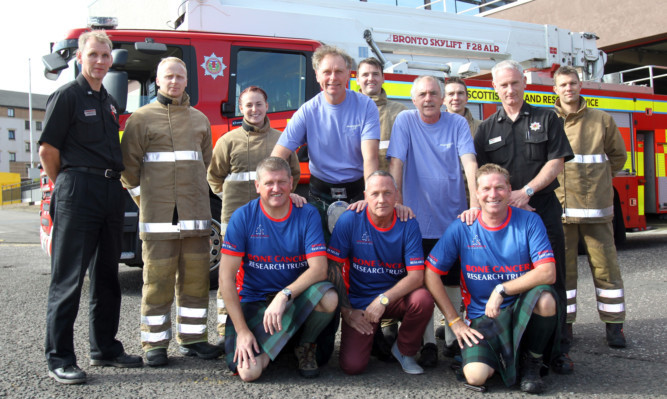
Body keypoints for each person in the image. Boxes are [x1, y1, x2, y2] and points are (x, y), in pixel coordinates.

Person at [39, 30, 142, 384]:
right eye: (93, 54)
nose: (99, 61)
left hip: (110, 190)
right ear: (80, 58)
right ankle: (60, 357)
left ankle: (104, 348)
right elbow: (47, 151)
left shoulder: (108, 102)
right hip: (78, 190)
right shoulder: (66, 96)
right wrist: (67, 184)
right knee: (68, 279)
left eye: (105, 55)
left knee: (107, 277)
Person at [473, 60, 574, 374]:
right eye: (503, 85)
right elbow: (482, 176)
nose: (509, 90)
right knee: (511, 275)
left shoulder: (547, 119)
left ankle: (555, 350)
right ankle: (513, 339)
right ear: (494, 88)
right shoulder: (486, 128)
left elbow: (556, 162)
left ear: (524, 84)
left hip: (541, 209)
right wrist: (504, 203)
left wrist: (525, 192)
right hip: (504, 217)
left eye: (515, 83)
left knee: (553, 277)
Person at [120, 57, 221, 367]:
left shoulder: (199, 120)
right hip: (158, 220)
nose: (174, 81)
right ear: (158, 81)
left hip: (196, 220)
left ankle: (194, 340)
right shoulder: (140, 118)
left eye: (179, 76)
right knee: (157, 283)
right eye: (168, 76)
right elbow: (128, 172)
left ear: (187, 81)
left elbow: (206, 167)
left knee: (195, 283)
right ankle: (154, 344)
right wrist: (146, 203)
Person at [425, 164, 559, 394]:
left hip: (519, 311)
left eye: (499, 187)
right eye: (486, 188)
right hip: (483, 318)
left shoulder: (529, 221)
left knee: (546, 299)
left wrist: (501, 289)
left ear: (509, 190)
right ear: (476, 194)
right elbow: (430, 273)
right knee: (475, 377)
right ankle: (503, 357)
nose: (493, 194)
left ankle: (532, 362)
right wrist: (454, 321)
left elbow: (548, 271)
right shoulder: (462, 227)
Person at [387, 75, 479, 367]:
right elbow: (396, 163)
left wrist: (476, 206)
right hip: (414, 218)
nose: (428, 99)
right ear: (413, 100)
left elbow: (470, 163)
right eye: (422, 94)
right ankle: (427, 344)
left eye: (433, 94)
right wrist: (398, 203)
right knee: (421, 286)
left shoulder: (458, 124)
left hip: (452, 217)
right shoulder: (405, 121)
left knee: (451, 280)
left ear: (442, 98)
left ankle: (454, 339)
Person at [219, 157, 338, 382]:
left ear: (292, 183)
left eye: (282, 182)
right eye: (269, 183)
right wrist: (243, 332)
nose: (276, 188)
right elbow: (225, 278)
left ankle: (305, 345)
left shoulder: (307, 213)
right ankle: (276, 347)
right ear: (257, 186)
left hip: (294, 300)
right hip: (255, 302)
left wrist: (284, 295)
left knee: (329, 297)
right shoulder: (242, 217)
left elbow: (319, 269)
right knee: (249, 373)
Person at [207, 86, 301, 349]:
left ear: (267, 106)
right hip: (235, 218)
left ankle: (268, 324)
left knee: (263, 271)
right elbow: (214, 178)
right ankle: (225, 328)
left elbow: (291, 176)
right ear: (241, 108)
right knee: (230, 273)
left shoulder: (281, 141)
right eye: (248, 105)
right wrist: (230, 200)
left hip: (272, 220)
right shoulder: (227, 141)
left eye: (259, 104)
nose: (254, 110)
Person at [327, 170, 434, 375]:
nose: (381, 200)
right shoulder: (350, 220)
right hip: (360, 302)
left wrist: (383, 299)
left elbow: (416, 276)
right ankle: (374, 337)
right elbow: (333, 268)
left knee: (423, 299)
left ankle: (404, 350)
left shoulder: (408, 222)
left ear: (396, 195)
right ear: (365, 196)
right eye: (375, 194)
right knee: (353, 366)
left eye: (387, 193)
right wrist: (347, 312)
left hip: (394, 298)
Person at [552, 66, 628, 348]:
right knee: (565, 271)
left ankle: (614, 325)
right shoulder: (549, 121)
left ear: (580, 85)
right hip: (562, 210)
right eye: (563, 84)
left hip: (596, 210)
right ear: (555, 89)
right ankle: (566, 325)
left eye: (573, 83)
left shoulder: (602, 119)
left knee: (606, 268)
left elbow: (618, 157)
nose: (568, 88)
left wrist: (601, 182)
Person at [271, 45, 380, 236]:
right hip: (319, 194)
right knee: (319, 256)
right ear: (317, 76)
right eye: (327, 72)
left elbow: (370, 158)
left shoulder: (366, 106)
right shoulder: (307, 111)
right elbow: (278, 156)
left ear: (348, 75)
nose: (333, 78)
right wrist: (284, 190)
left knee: (358, 255)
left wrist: (369, 196)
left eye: (339, 71)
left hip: (357, 193)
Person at [436, 76, 483, 357]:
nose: (455, 98)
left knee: (471, 267)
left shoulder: (480, 128)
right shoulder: (438, 126)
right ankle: (449, 322)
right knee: (446, 267)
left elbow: (483, 166)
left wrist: (478, 203)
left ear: (468, 97)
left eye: (460, 93)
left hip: (474, 205)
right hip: (447, 207)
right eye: (450, 93)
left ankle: (469, 322)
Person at [356, 57, 408, 171]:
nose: (371, 78)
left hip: (390, 182)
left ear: (383, 78)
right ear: (357, 79)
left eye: (375, 74)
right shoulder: (348, 111)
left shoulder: (400, 112)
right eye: (365, 75)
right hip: (356, 184)